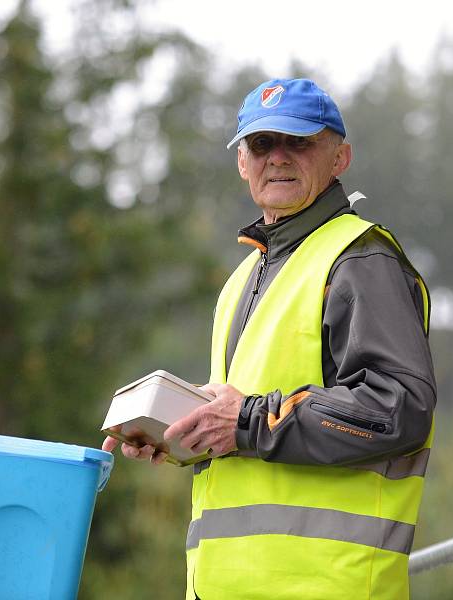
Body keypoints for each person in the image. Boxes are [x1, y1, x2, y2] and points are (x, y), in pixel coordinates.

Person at [103, 78, 436, 600]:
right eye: (262, 144)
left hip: (329, 587)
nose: (277, 157)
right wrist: (182, 434)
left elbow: (400, 408)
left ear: (340, 158)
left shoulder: (361, 259)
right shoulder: (244, 276)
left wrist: (244, 421)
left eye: (298, 141)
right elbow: (248, 423)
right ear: (242, 162)